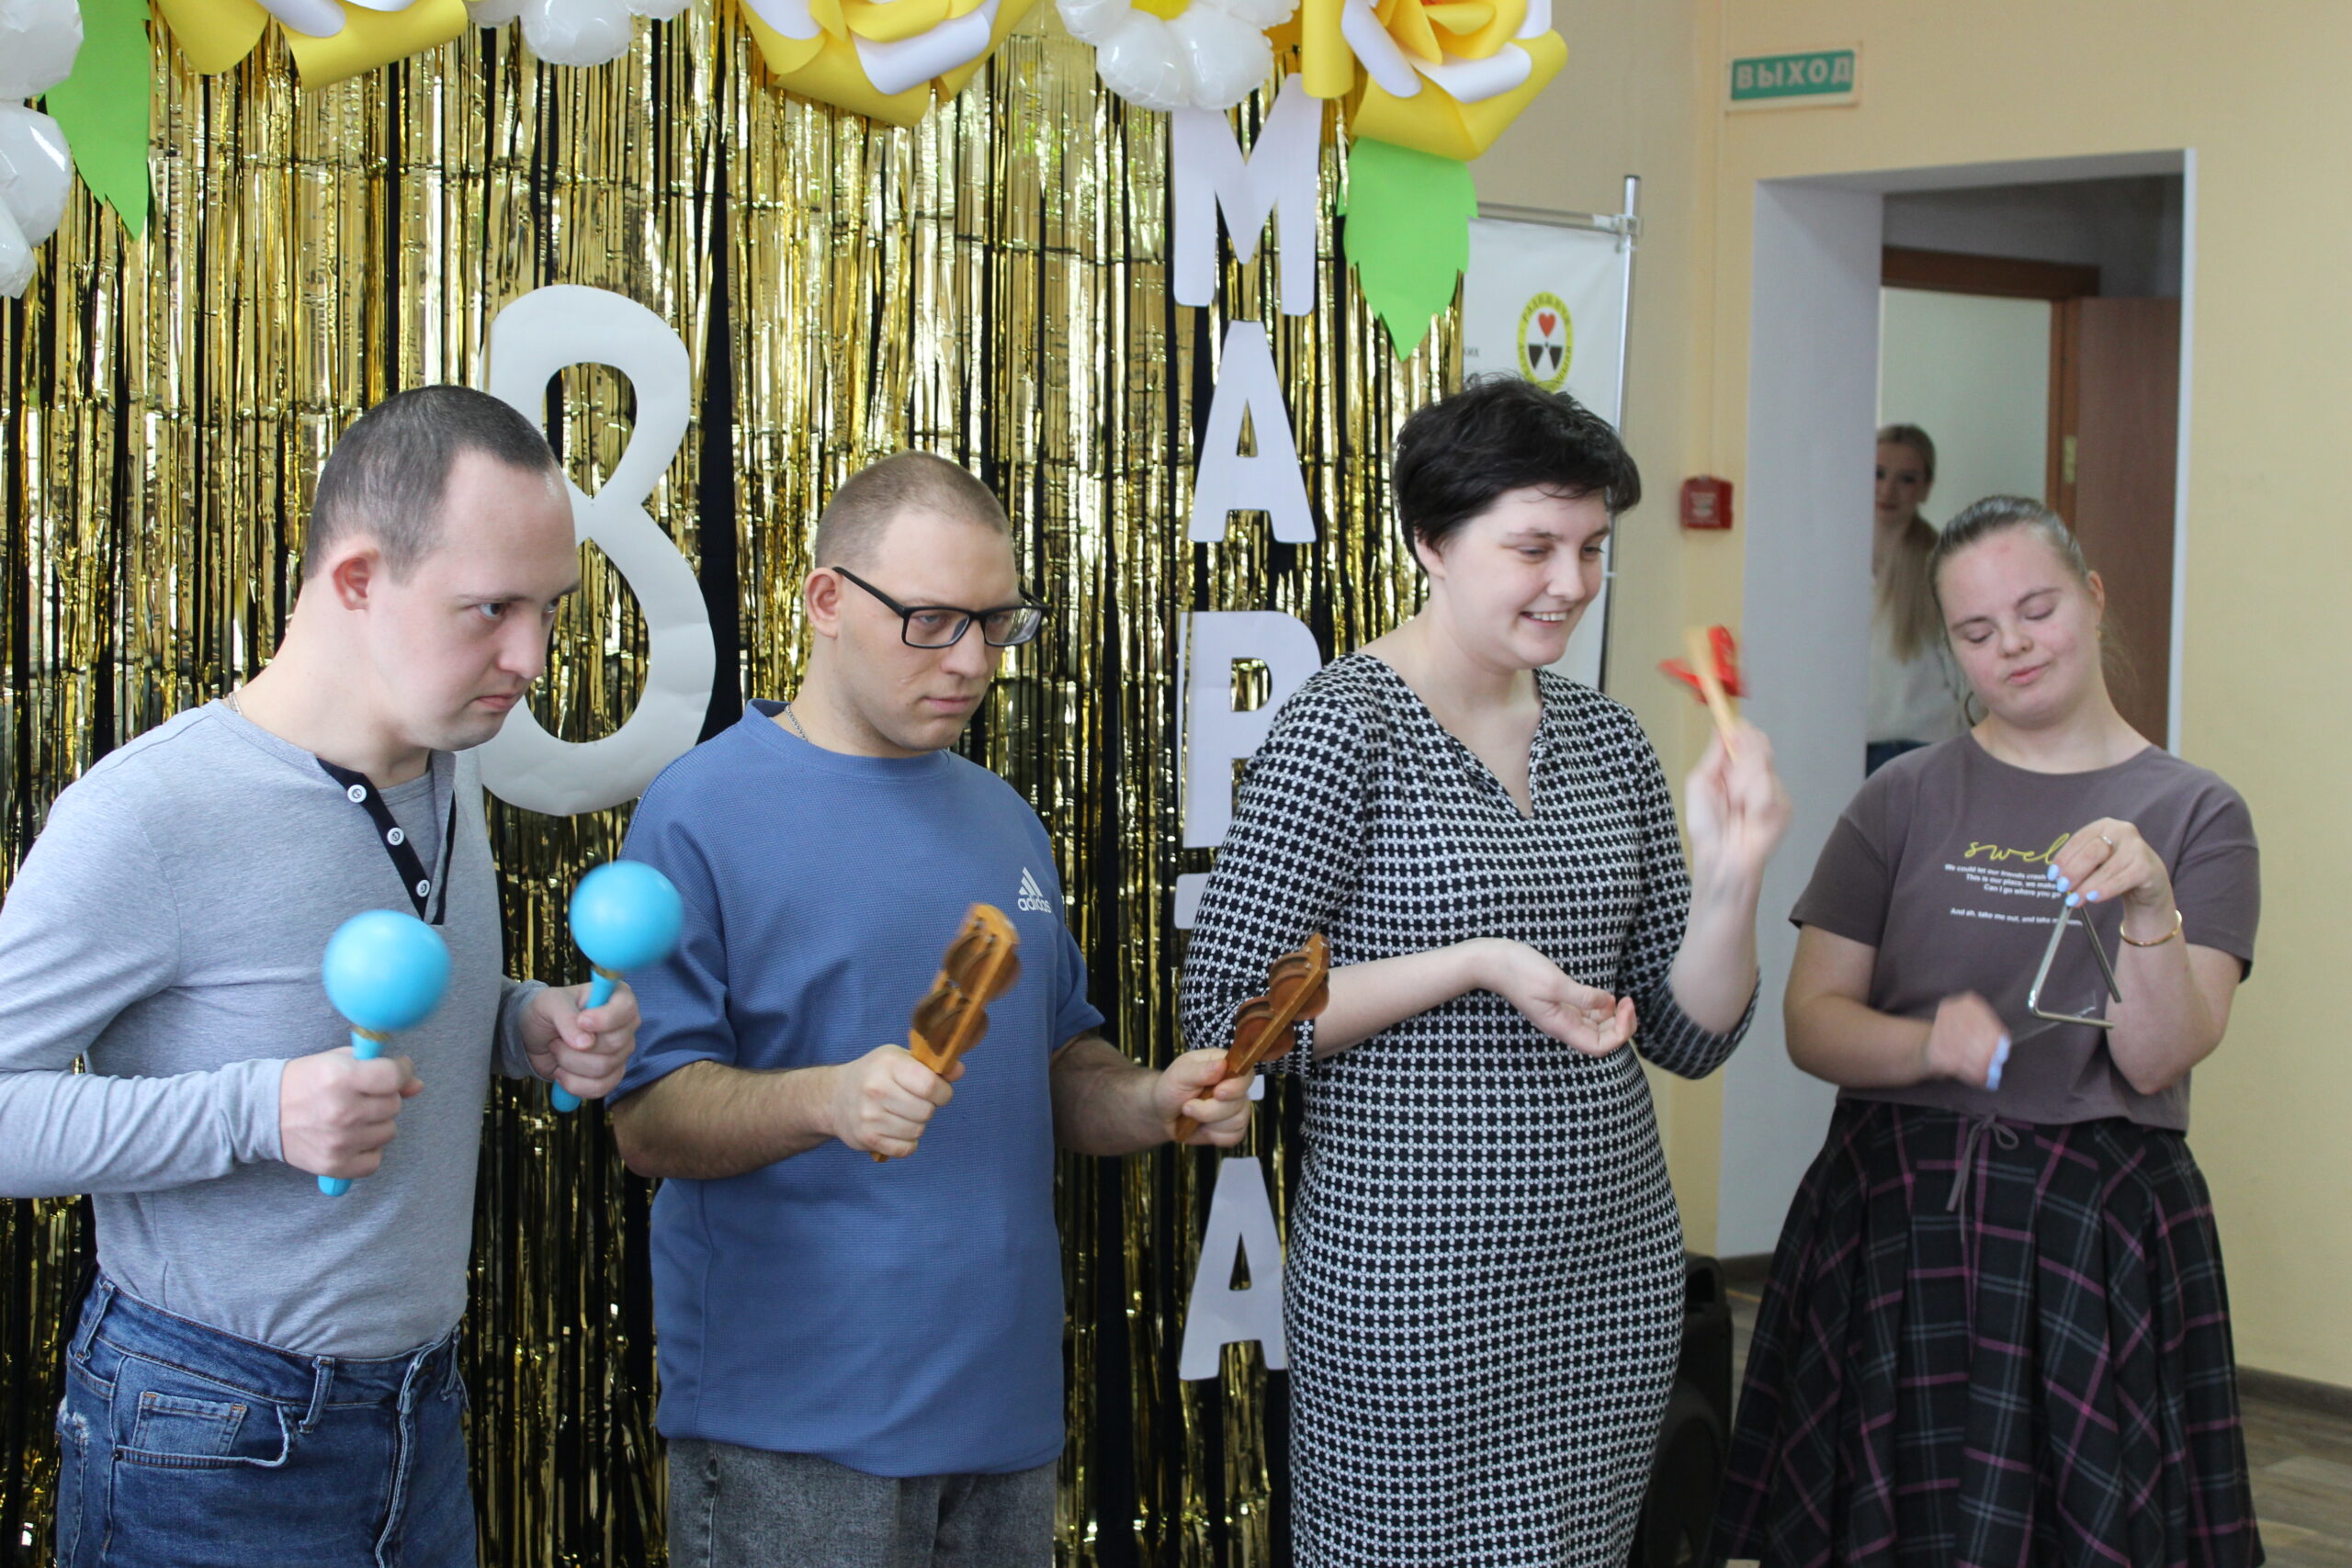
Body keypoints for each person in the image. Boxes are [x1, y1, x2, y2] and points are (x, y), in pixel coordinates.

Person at [0, 386, 642, 1568]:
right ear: (355, 581)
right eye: (491, 609)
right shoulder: (149, 813)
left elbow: (362, 1005)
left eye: (550, 608)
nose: (531, 657)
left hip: (419, 1409)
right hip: (205, 1427)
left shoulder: (447, 765)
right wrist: (258, 1112)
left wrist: (524, 1026)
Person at [1177, 378, 1792, 1567]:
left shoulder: (1606, 737)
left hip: (1608, 1276)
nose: (1571, 581)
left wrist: (1735, 877)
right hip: (1413, 1284)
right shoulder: (1343, 727)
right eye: (1533, 546)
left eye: (1591, 547)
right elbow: (1233, 1018)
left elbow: (1689, 1034)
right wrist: (1471, 962)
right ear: (1430, 542)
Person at [605, 451, 1253, 1568]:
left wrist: (1153, 1102)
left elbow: (1058, 1064)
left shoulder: (1005, 819)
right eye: (932, 622)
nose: (971, 662)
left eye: (996, 625)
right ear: (825, 600)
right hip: (794, 1432)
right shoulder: (699, 811)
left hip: (1004, 1418)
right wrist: (831, 1099)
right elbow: (648, 1121)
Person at [1716, 496, 2262, 1567]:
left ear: (2091, 598)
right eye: (1975, 631)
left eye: (2035, 610)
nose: (2010, 645)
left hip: (2091, 1227)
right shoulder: (1899, 798)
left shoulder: (2199, 814)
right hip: (1893, 1215)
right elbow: (1812, 1024)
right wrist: (1925, 1046)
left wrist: (2148, 903)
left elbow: (2154, 1059)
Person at [1868, 423, 1965, 774]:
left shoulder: (1943, 566)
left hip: (1923, 748)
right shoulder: (1831, 563)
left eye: (1906, 479)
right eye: (1878, 474)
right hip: (1846, 745)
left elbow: (1965, 672)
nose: (1887, 490)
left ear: (1925, 488)